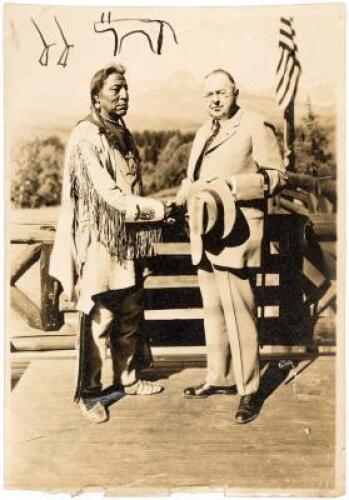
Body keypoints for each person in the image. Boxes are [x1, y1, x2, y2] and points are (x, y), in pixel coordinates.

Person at [50, 63, 174, 423]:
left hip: (127, 238)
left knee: (130, 308)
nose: (123, 96)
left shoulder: (120, 131)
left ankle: (128, 377)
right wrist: (158, 210)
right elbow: (109, 194)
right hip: (99, 239)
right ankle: (89, 393)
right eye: (115, 89)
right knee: (99, 314)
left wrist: (145, 213)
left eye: (125, 89)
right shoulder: (86, 136)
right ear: (96, 97)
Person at [175, 69, 286, 424]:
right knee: (213, 311)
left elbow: (276, 177)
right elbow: (192, 180)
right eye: (209, 95)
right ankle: (219, 377)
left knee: (239, 314)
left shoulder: (255, 125)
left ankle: (249, 389)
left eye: (221, 93)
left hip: (236, 234)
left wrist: (233, 186)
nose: (215, 100)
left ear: (235, 92)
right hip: (204, 232)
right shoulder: (204, 131)